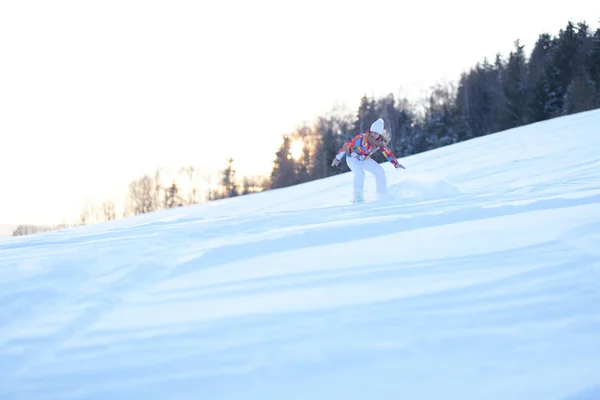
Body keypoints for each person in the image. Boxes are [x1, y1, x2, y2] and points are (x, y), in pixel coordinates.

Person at [331, 118, 405, 203]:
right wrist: (337, 158)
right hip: (352, 158)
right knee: (360, 174)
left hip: (364, 159)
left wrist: (396, 163)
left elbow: (387, 153)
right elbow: (346, 145)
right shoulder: (362, 138)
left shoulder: (380, 143)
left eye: (376, 133)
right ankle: (358, 199)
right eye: (372, 132)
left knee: (380, 172)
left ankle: (382, 196)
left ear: (380, 134)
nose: (373, 134)